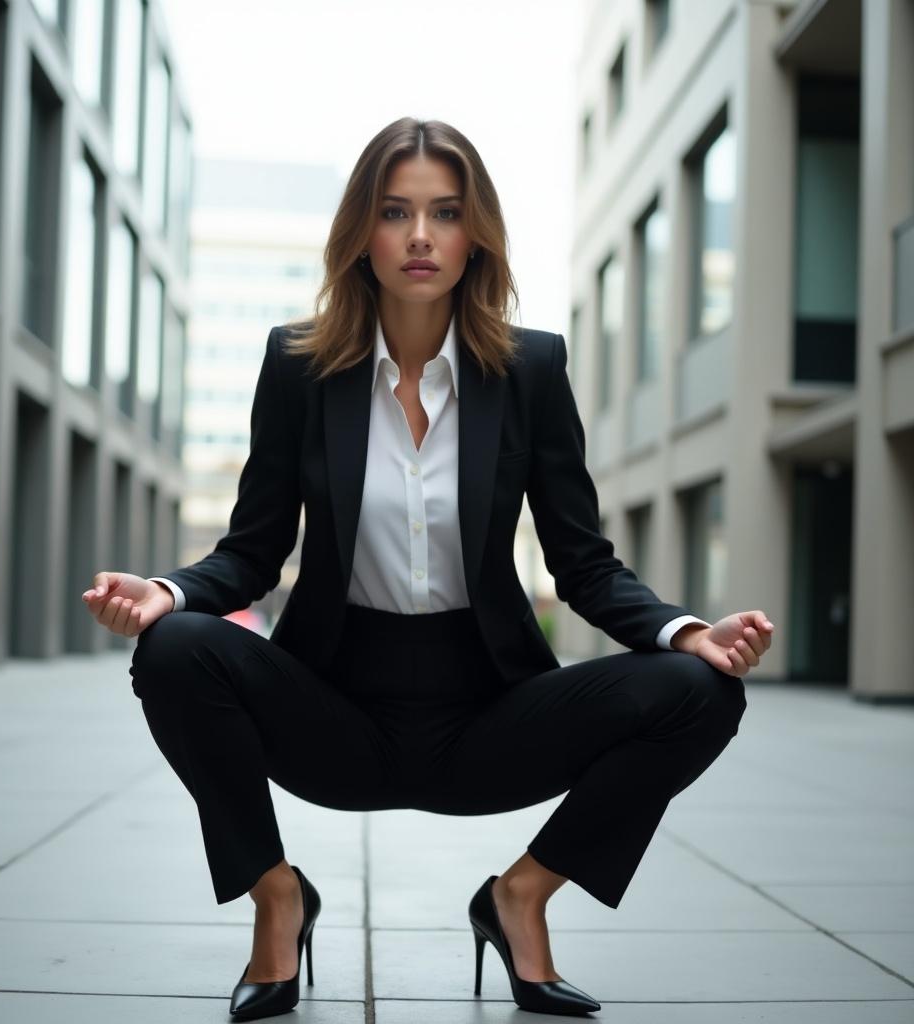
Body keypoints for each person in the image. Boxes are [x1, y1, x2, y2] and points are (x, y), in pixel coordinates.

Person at [82, 117, 773, 1021]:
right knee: (173, 652)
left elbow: (584, 563)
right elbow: (252, 549)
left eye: (444, 213)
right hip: (333, 711)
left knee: (704, 690)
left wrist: (687, 631)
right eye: (394, 211)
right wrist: (166, 593)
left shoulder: (530, 368)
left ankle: (519, 898)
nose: (419, 236)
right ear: (359, 234)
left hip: (488, 713)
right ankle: (279, 902)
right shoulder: (299, 367)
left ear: (472, 233)